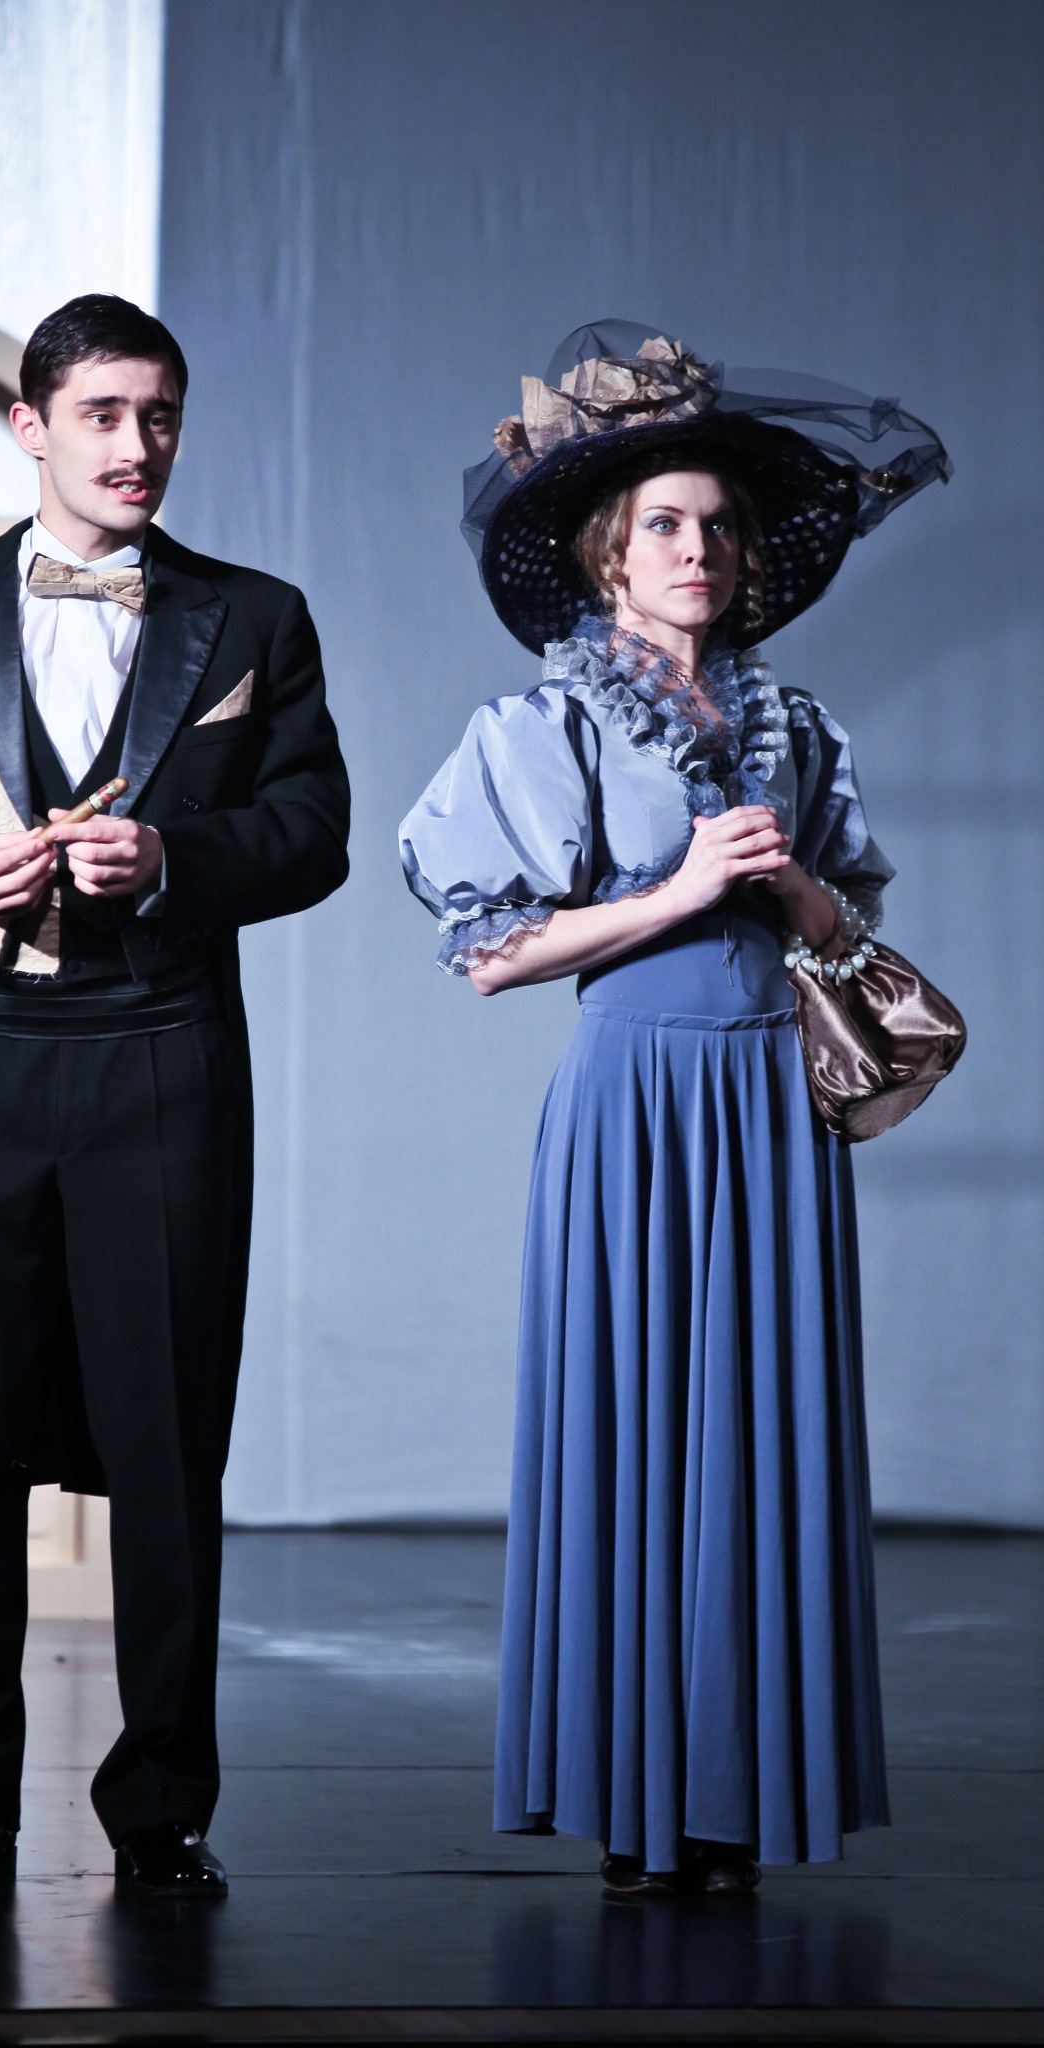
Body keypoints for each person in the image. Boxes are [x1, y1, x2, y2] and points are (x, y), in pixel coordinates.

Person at [0, 294, 350, 1894]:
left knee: (166, 1449)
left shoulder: (253, 615)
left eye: (159, 414)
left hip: (163, 1057)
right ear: (30, 426)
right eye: (102, 413)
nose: (136, 444)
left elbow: (312, 830)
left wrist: (172, 856)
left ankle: (161, 1816)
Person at [400, 322, 948, 1895]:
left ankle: (733, 1802)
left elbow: (846, 935)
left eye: (714, 525)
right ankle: (635, 1802)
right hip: (632, 1102)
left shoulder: (798, 729)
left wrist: (795, 893)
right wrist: (678, 888)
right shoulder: (544, 728)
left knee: (760, 1441)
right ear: (607, 553)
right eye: (661, 524)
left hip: (771, 1103)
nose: (694, 548)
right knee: (633, 1437)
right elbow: (492, 956)